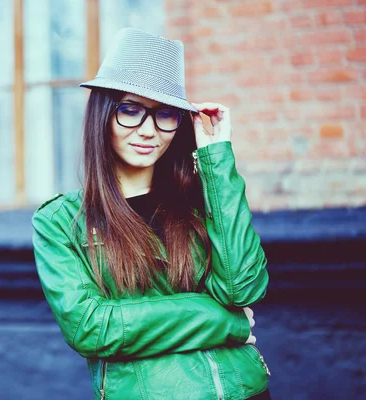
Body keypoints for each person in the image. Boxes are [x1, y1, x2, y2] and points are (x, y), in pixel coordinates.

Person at [31, 27, 271, 400]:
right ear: (104, 115)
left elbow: (243, 288)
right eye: (130, 110)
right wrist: (221, 320)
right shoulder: (60, 221)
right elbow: (93, 328)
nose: (148, 130)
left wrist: (217, 157)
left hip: (247, 391)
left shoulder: (199, 202)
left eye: (165, 115)